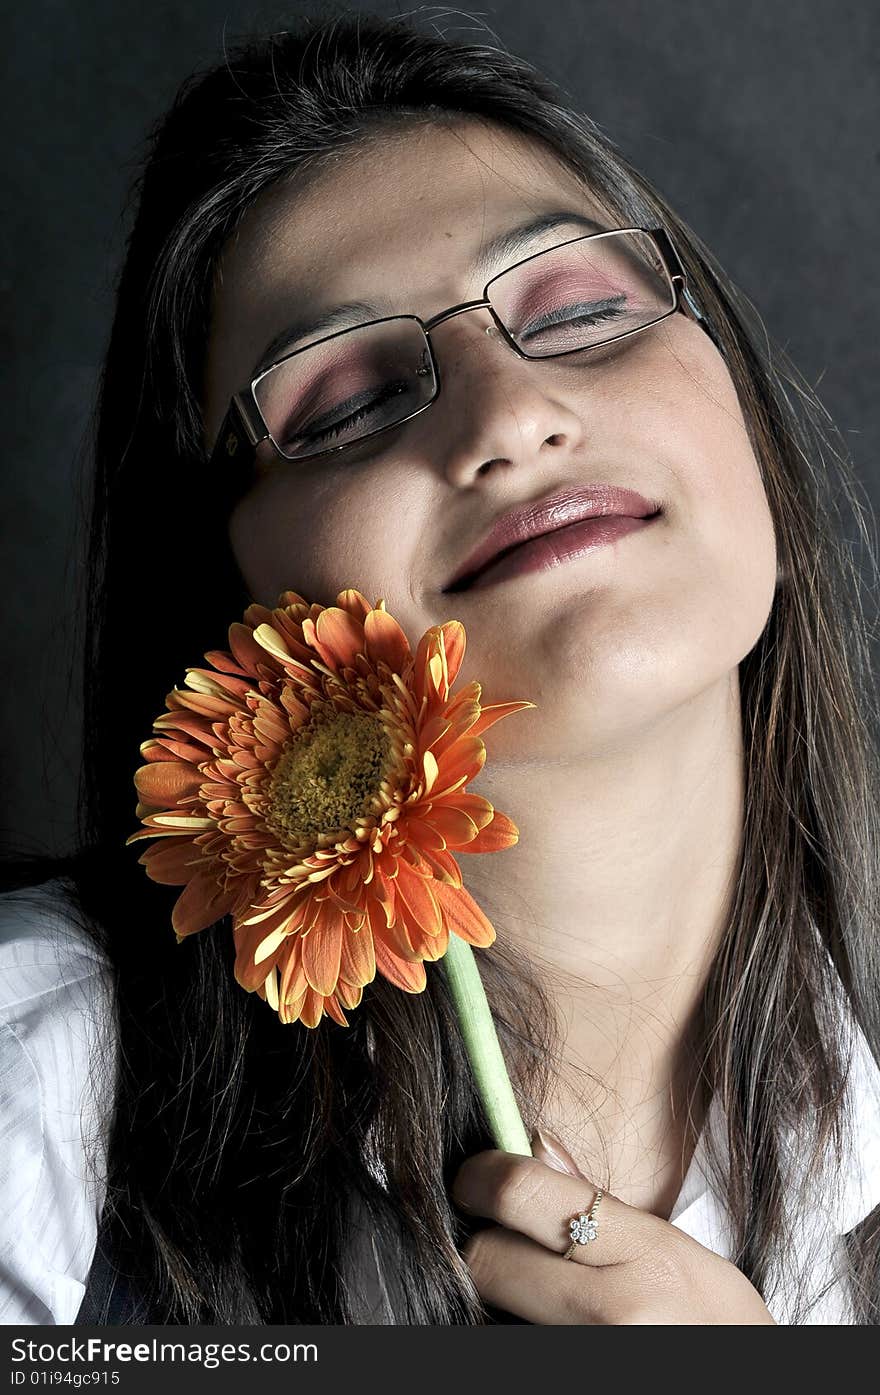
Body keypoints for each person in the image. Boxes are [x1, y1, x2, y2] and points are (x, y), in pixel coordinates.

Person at [2, 8, 879, 1327]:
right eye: (346, 403)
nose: (510, 412)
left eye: (581, 308)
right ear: (233, 588)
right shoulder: (34, 1093)